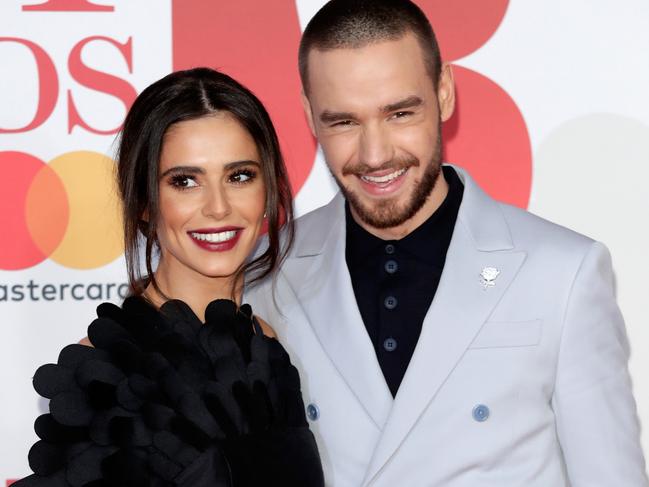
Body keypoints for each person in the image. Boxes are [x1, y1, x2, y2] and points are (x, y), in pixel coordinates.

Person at [244, 1, 648, 486]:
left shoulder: (563, 272)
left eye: (399, 113)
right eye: (344, 122)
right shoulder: (267, 271)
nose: (375, 155)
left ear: (444, 93)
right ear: (310, 117)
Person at [15, 68, 324, 487]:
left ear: (267, 189)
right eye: (185, 181)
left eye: (239, 176)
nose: (218, 207)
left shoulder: (265, 344)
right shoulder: (106, 374)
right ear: (143, 201)